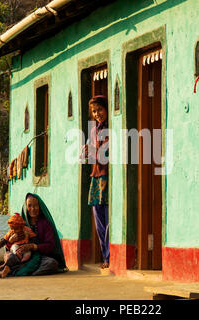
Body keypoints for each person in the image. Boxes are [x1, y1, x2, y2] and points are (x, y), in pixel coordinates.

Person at [5, 193, 67, 277]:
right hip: (21, 256)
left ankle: (26, 272)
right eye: (29, 206)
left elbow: (50, 245)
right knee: (9, 257)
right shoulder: (20, 223)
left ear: (40, 207)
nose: (33, 209)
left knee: (52, 263)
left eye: (36, 205)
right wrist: (10, 241)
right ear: (25, 207)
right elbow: (8, 247)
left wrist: (33, 246)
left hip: (40, 257)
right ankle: (25, 270)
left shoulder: (45, 223)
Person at [81, 95, 110, 269]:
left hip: (107, 176)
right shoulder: (93, 131)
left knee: (108, 220)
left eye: (99, 109)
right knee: (99, 221)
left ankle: (109, 257)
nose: (97, 114)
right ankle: (105, 256)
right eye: (94, 111)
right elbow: (91, 155)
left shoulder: (111, 128)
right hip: (95, 177)